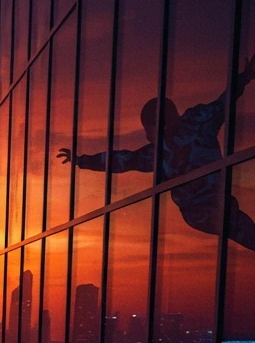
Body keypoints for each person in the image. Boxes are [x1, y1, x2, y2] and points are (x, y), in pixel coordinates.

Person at [58, 55, 255, 250]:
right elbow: (123, 160)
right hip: (199, 211)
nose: (146, 136)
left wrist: (246, 76)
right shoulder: (191, 127)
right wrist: (81, 161)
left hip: (208, 206)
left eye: (148, 130)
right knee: (235, 225)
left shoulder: (190, 129)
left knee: (237, 225)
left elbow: (224, 102)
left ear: (162, 126)